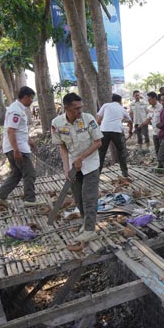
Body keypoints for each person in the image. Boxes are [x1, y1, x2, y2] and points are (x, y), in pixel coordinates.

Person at [51, 93, 103, 242]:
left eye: (81, 107)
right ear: (66, 108)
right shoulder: (57, 123)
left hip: (91, 163)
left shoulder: (88, 119)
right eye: (76, 109)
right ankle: (87, 223)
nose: (80, 111)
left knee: (89, 196)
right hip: (74, 164)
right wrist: (66, 168)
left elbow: (98, 142)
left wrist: (81, 158)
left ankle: (89, 230)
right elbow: (63, 147)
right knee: (78, 198)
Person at [0, 87, 43, 207]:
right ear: (25, 97)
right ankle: (30, 200)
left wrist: (29, 140)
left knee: (17, 173)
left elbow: (20, 130)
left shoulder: (19, 109)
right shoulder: (16, 111)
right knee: (30, 173)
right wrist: (16, 150)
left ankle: (0, 196)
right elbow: (11, 131)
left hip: (17, 146)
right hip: (17, 148)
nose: (32, 101)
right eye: (31, 98)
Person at [96, 94, 132, 178]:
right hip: (116, 131)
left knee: (101, 152)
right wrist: (130, 131)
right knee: (121, 151)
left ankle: (97, 173)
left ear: (112, 100)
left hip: (104, 130)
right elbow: (130, 121)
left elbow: (98, 120)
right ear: (120, 101)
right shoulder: (121, 108)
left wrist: (99, 129)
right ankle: (125, 172)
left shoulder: (106, 105)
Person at [144, 91, 164, 169]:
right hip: (154, 133)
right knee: (157, 149)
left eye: (149, 99)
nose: (148, 101)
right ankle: (160, 164)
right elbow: (148, 119)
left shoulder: (161, 107)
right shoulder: (150, 109)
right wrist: (140, 126)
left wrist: (161, 131)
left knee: (163, 150)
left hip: (161, 133)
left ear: (154, 98)